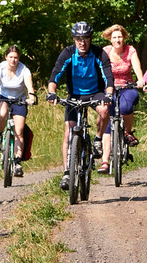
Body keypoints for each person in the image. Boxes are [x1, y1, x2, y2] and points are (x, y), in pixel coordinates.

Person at [48, 21, 113, 190]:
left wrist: (109, 94)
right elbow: (55, 74)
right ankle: (66, 173)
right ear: (74, 39)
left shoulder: (99, 53)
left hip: (95, 93)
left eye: (85, 38)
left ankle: (97, 139)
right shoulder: (68, 53)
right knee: (68, 132)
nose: (82, 42)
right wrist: (51, 92)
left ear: (90, 39)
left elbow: (108, 76)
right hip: (75, 95)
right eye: (78, 39)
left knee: (104, 109)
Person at [99, 24, 147, 172]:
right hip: (109, 88)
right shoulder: (105, 51)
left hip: (127, 87)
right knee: (108, 120)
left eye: (120, 37)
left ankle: (127, 132)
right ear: (110, 39)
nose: (117, 40)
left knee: (126, 107)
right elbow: (98, 69)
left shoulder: (130, 50)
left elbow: (137, 67)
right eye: (114, 37)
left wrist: (140, 80)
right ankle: (105, 161)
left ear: (124, 38)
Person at [0, 44, 37, 177]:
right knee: (1, 114)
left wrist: (31, 97)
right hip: (3, 96)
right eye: (10, 57)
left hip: (19, 99)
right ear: (6, 57)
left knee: (19, 131)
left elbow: (29, 86)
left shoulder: (24, 70)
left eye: (15, 57)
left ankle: (18, 162)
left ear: (19, 58)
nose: (13, 60)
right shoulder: (0, 67)